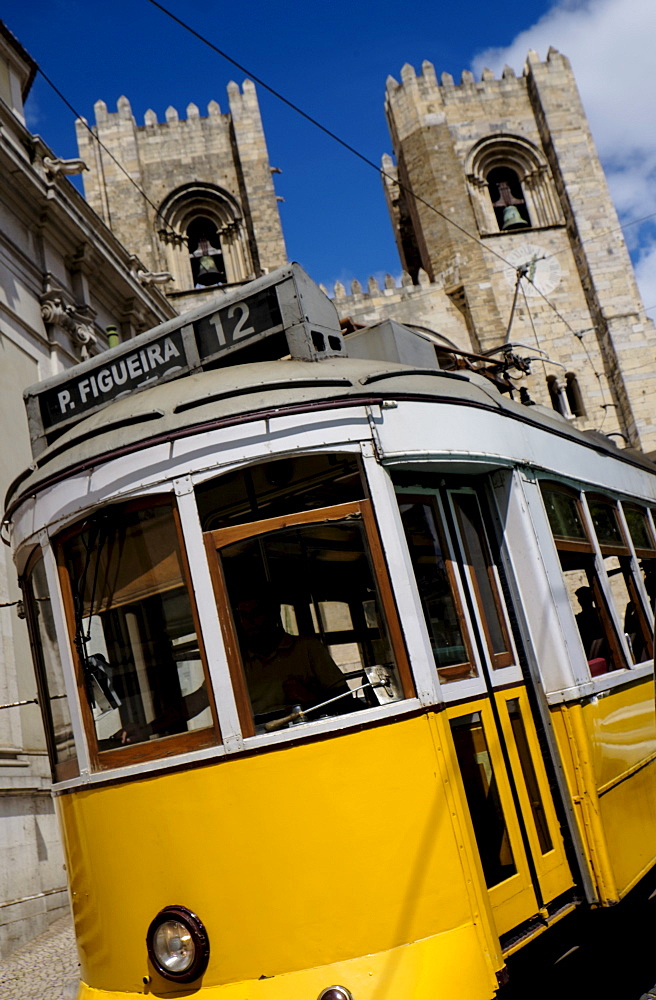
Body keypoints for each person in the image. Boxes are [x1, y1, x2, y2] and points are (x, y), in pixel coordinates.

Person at [235, 587, 354, 722]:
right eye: (244, 615)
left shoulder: (307, 648)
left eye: (256, 613)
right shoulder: (235, 662)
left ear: (273, 614)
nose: (249, 621)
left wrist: (309, 698)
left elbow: (345, 702)